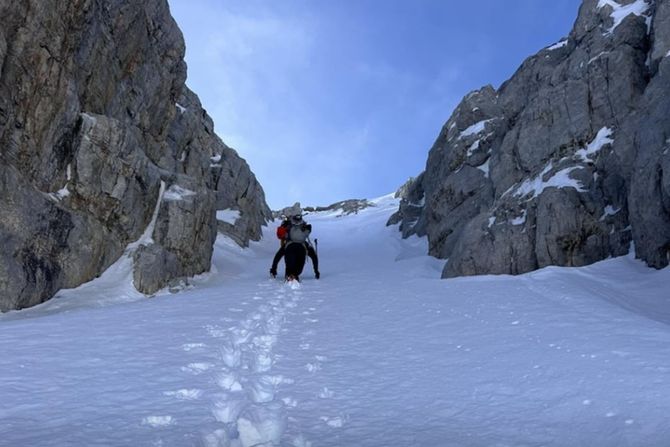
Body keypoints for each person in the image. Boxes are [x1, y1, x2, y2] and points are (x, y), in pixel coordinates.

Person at [270, 214, 319, 280]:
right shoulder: (305, 230)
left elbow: (277, 256)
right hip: (302, 247)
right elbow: (314, 257)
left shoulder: (289, 227)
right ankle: (293, 276)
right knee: (298, 269)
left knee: (289, 265)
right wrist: (316, 271)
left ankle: (289, 275)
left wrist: (273, 269)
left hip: (290, 246)